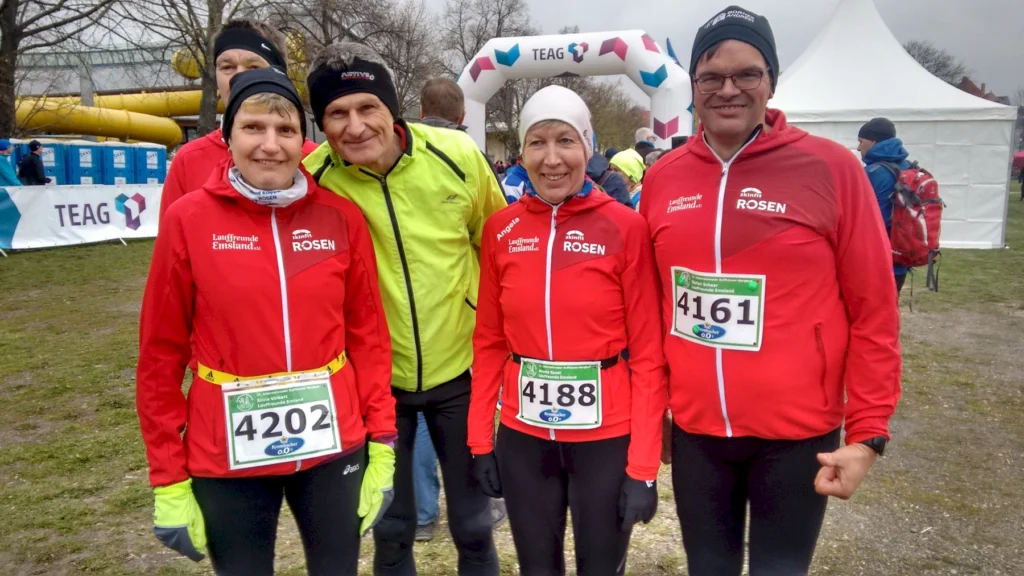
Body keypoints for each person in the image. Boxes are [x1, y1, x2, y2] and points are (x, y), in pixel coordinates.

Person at [641, 6, 902, 575]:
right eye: (711, 76)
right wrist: (653, 410)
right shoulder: (663, 178)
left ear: (771, 82)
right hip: (696, 432)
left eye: (747, 74)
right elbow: (653, 310)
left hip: (796, 432)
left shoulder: (831, 169)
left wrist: (868, 434)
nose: (728, 89)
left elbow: (874, 311)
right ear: (692, 87)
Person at [136, 68, 397, 575]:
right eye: (253, 128)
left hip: (330, 443)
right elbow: (160, 355)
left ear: (305, 140)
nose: (271, 145)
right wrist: (167, 477)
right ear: (228, 137)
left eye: (286, 131)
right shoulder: (189, 219)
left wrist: (382, 442)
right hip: (226, 449)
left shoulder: (340, 218)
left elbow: (369, 337)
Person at [303, 42, 507, 575]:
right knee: (391, 530)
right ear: (322, 123)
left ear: (392, 110)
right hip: (374, 383)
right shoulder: (313, 178)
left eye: (367, 107)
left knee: (473, 527)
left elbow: (501, 248)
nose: (354, 126)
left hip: (460, 371)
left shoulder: (457, 157)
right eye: (336, 114)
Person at [468, 85, 668, 576]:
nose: (552, 158)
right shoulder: (501, 230)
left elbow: (647, 354)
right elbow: (490, 341)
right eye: (537, 142)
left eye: (566, 141)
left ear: (588, 146)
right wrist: (479, 441)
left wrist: (643, 467)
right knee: (537, 568)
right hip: (525, 435)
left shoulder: (625, 227)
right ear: (522, 152)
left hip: (605, 436)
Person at [412, 75, 508, 542]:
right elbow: (497, 235)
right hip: (464, 320)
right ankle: (484, 501)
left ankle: (425, 513)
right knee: (473, 410)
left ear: (418, 109)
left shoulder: (402, 154)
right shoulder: (470, 156)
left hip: (411, 332)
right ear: (462, 117)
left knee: (424, 425)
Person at [159, 19, 319, 221]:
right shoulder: (188, 160)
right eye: (227, 67)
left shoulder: (314, 158)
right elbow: (173, 241)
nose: (238, 77)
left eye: (253, 67)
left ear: (278, 74)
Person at [857, 117, 912, 294]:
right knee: (890, 310)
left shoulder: (872, 173)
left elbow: (860, 220)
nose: (858, 147)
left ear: (873, 141)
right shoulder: (909, 168)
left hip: (876, 260)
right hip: (902, 257)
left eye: (861, 141)